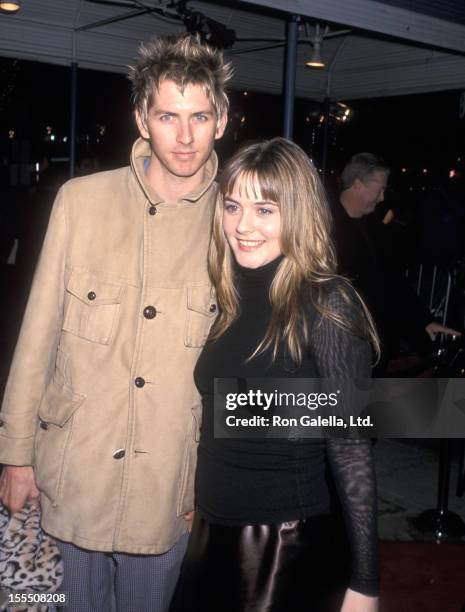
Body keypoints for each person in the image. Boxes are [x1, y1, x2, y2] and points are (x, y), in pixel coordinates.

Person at [0, 33, 230, 612]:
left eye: (199, 116)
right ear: (141, 118)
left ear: (222, 120)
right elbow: (37, 336)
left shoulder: (236, 221)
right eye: (168, 116)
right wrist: (16, 453)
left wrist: (218, 484)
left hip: (170, 484)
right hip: (78, 464)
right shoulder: (80, 201)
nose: (184, 136)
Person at [171, 138, 380, 612]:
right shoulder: (226, 295)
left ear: (298, 215)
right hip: (210, 531)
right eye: (232, 206)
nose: (243, 226)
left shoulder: (326, 303)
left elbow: (350, 447)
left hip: (281, 542)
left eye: (265, 210)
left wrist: (365, 582)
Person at [332, 152, 460, 369]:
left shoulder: (374, 228)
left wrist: (424, 321)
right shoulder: (324, 230)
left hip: (376, 346)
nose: (383, 197)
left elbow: (393, 280)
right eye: (379, 189)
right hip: (340, 349)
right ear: (358, 185)